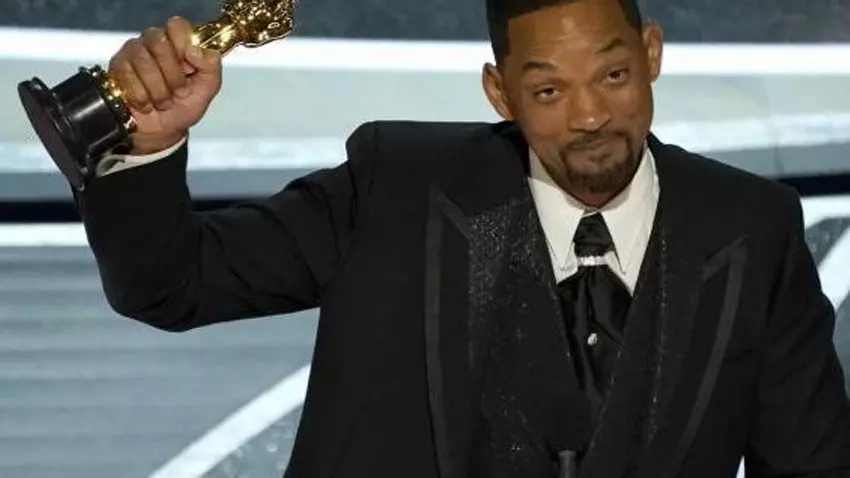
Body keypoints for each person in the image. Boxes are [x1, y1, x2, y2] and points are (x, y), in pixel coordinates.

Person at [69, 0, 850, 476]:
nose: (589, 116)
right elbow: (172, 284)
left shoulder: (753, 228)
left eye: (612, 76)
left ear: (651, 55)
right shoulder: (395, 187)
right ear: (500, 92)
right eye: (548, 89)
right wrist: (149, 146)